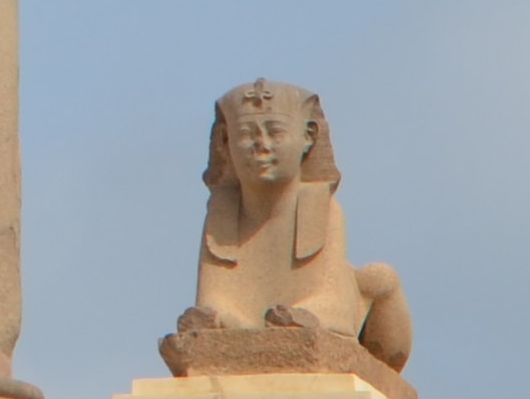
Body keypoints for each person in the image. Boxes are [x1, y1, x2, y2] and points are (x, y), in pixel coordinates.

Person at [176, 79, 412, 373]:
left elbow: (332, 305)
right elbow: (216, 299)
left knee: (381, 277)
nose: (261, 146)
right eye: (247, 134)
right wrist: (219, 319)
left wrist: (301, 316)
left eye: (275, 132)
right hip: (273, 325)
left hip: (343, 311)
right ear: (226, 141)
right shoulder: (220, 213)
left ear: (308, 136)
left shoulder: (325, 210)